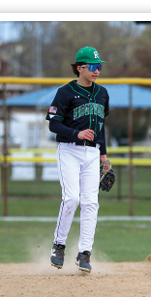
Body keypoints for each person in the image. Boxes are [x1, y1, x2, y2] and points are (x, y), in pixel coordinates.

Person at [46, 46, 110, 273]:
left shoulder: (102, 93)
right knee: (72, 198)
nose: (97, 71)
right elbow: (54, 124)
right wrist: (76, 133)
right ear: (79, 68)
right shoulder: (65, 92)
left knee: (91, 202)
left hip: (93, 153)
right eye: (92, 67)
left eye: (99, 67)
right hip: (69, 150)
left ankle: (85, 253)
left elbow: (101, 126)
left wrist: (104, 155)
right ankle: (59, 245)